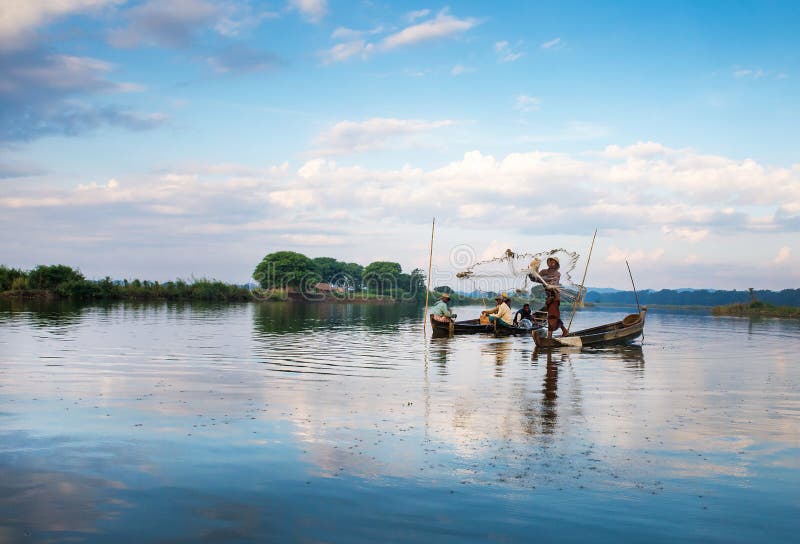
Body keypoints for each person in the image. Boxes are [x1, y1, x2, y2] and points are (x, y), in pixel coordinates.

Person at [531, 257, 568, 338]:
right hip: (548, 298)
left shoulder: (557, 273)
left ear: (556, 265)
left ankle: (549, 337)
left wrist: (550, 285)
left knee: (552, 317)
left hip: (555, 297)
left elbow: (554, 282)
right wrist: (531, 272)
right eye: (550, 261)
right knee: (553, 316)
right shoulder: (544, 271)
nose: (552, 263)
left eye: (554, 262)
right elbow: (535, 279)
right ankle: (564, 330)